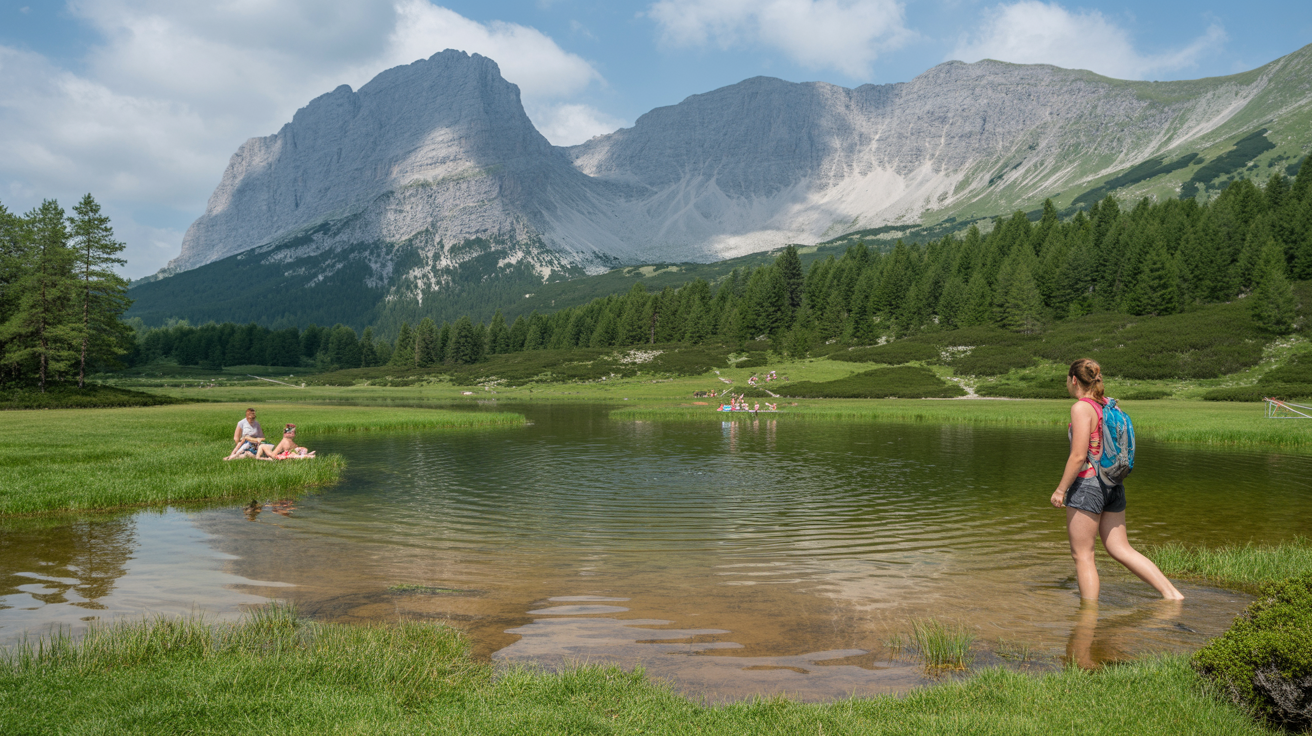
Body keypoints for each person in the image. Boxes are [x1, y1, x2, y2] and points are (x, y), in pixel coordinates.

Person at [1050, 359, 1183, 601]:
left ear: (1073, 380)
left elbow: (1079, 455)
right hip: (1113, 485)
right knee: (1121, 548)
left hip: (1088, 486)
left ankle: (1088, 616)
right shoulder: (1109, 405)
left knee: (1083, 555)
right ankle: (1172, 594)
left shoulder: (1082, 407)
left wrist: (1061, 490)